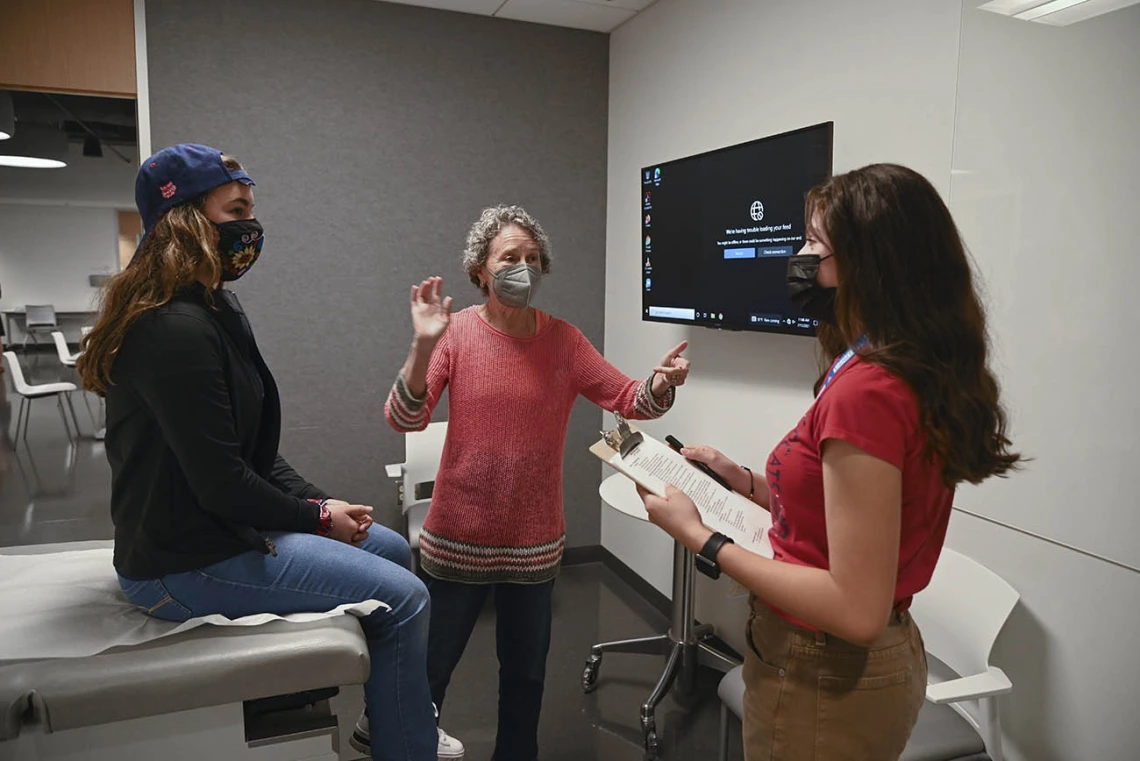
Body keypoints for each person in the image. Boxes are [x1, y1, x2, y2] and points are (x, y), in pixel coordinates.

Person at [638, 164, 1022, 761]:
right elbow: (843, 510)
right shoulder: (895, 369)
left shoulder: (868, 393)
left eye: (815, 244)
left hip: (827, 673)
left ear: (869, 265)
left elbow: (854, 609)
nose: (799, 257)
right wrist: (744, 483)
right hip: (842, 667)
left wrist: (703, 538)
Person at [76, 143, 441, 761]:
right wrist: (317, 521)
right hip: (178, 561)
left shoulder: (215, 308)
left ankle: (388, 720)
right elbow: (221, 484)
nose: (251, 227)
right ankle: (409, 747)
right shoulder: (170, 329)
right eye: (237, 208)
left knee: (392, 547)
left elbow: (254, 454)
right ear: (188, 219)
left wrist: (322, 503)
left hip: (221, 527)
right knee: (406, 599)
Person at [383, 204, 691, 761]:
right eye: (508, 258)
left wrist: (662, 383)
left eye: (531, 258)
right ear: (481, 270)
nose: (521, 269)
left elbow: (629, 400)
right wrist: (422, 345)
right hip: (457, 538)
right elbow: (404, 417)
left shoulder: (564, 343)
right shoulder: (454, 335)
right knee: (428, 673)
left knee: (525, 678)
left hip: (533, 542)